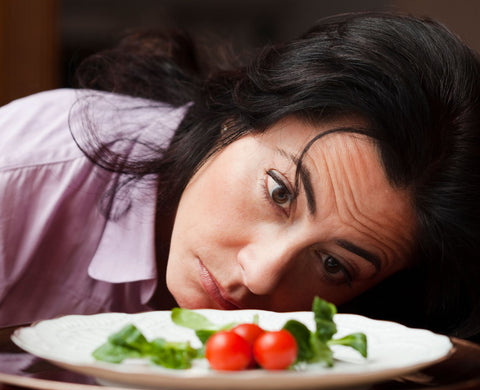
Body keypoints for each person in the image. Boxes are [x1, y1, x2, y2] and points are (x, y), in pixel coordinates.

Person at [0, 12, 479, 340]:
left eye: (334, 265)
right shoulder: (25, 169)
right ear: (240, 113)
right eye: (280, 191)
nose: (261, 274)